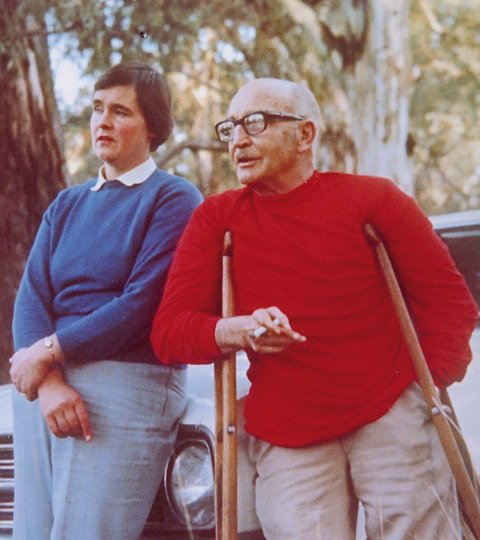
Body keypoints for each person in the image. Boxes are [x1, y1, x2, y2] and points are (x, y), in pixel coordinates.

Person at [150, 77, 479, 539]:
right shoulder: (217, 218)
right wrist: (240, 329)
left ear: (305, 135)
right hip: (287, 428)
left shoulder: (374, 199)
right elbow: (170, 332)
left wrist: (419, 394)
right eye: (231, 128)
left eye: (256, 123)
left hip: (387, 406)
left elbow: (450, 305)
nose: (238, 140)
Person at [9, 61, 202, 540]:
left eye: (120, 111)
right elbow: (31, 297)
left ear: (153, 127)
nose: (103, 122)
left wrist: (48, 353)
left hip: (126, 380)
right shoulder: (67, 204)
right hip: (48, 388)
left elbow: (141, 304)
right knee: (31, 532)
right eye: (97, 109)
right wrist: (48, 381)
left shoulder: (173, 198)